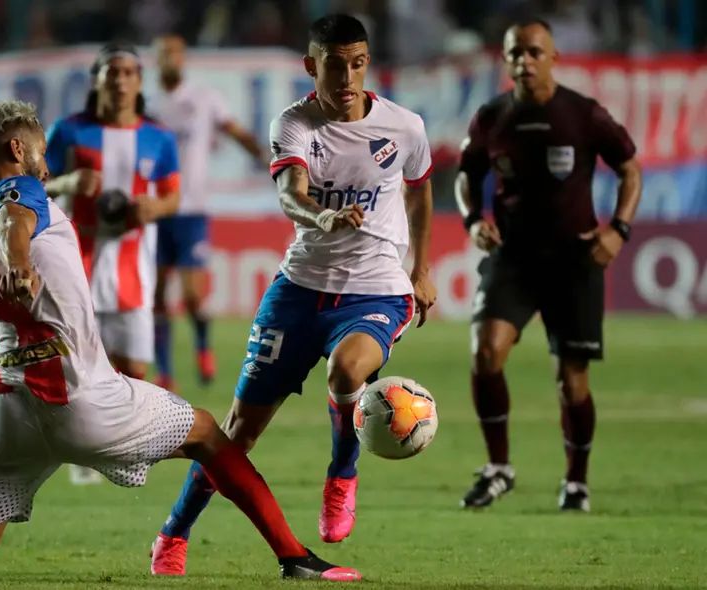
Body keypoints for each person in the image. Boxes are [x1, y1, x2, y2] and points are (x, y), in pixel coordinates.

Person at [0, 99, 360, 583]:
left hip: (5, 404)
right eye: (42, 154)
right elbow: (14, 225)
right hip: (77, 394)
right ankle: (295, 557)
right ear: (19, 150)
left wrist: (12, 269)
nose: (47, 168)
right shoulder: (18, 193)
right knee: (208, 432)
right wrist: (18, 261)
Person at [150, 14, 437, 576]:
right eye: (335, 64)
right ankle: (174, 532)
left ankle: (342, 474)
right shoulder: (295, 124)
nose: (348, 76)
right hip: (300, 290)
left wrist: (421, 269)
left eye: (357, 63)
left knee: (348, 372)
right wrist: (323, 215)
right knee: (237, 433)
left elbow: (421, 192)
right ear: (313, 65)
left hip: (375, 288)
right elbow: (291, 195)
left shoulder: (405, 127)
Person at [454, 19, 642, 512]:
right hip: (513, 258)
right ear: (506, 60)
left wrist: (618, 230)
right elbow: (466, 176)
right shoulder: (492, 117)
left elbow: (629, 168)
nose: (525, 61)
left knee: (571, 380)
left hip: (574, 261)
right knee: (485, 352)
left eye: (535, 52)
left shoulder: (583, 115)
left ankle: (576, 480)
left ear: (554, 57)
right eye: (516, 53)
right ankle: (498, 468)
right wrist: (474, 219)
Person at [43, 43, 180, 486]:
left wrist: (151, 210)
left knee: (134, 366)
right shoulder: (69, 131)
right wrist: (69, 181)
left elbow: (173, 196)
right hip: (77, 262)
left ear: (139, 82)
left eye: (127, 73)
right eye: (111, 72)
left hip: (132, 269)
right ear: (97, 80)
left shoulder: (159, 138)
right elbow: (34, 185)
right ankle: (83, 451)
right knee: (78, 362)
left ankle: (117, 447)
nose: (120, 81)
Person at [146, 34, 269, 391]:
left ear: (184, 59)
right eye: (164, 53)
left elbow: (234, 131)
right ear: (156, 60)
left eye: (176, 52)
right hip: (157, 210)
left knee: (192, 297)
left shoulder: (204, 99)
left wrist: (265, 156)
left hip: (193, 210)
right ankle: (165, 371)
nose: (170, 58)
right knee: (155, 297)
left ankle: (202, 347)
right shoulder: (149, 106)